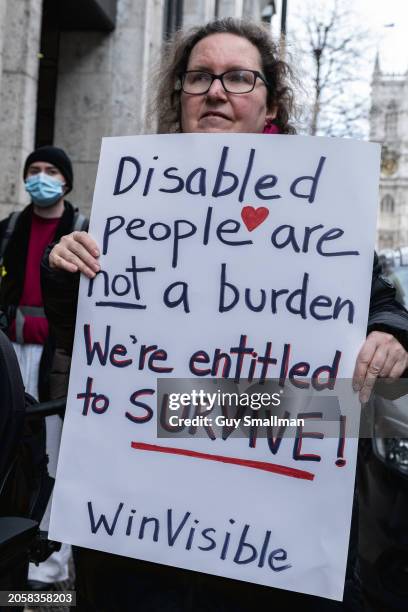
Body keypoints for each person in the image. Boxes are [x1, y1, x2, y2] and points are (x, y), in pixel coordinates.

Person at [42, 18, 408, 611]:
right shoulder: (130, 202)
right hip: (140, 522)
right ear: (179, 97)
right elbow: (81, 339)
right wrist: (63, 268)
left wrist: (389, 335)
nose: (216, 90)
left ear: (269, 103)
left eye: (239, 77)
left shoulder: (322, 209)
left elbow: (381, 308)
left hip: (270, 524)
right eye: (199, 77)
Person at [0, 145, 87, 588]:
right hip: (11, 353)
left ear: (67, 181)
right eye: (33, 170)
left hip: (57, 360)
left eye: (51, 170)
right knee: (11, 449)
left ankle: (49, 567)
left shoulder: (83, 230)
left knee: (54, 456)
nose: (41, 177)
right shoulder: (9, 228)